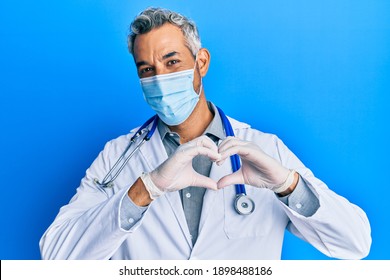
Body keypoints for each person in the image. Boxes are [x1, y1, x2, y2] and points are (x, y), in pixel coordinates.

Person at [39, 7, 371, 260]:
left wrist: (287, 185)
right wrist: (146, 188)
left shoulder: (264, 148)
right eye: (147, 70)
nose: (160, 79)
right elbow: (56, 255)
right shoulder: (118, 156)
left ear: (201, 62)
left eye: (172, 63)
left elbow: (354, 243)